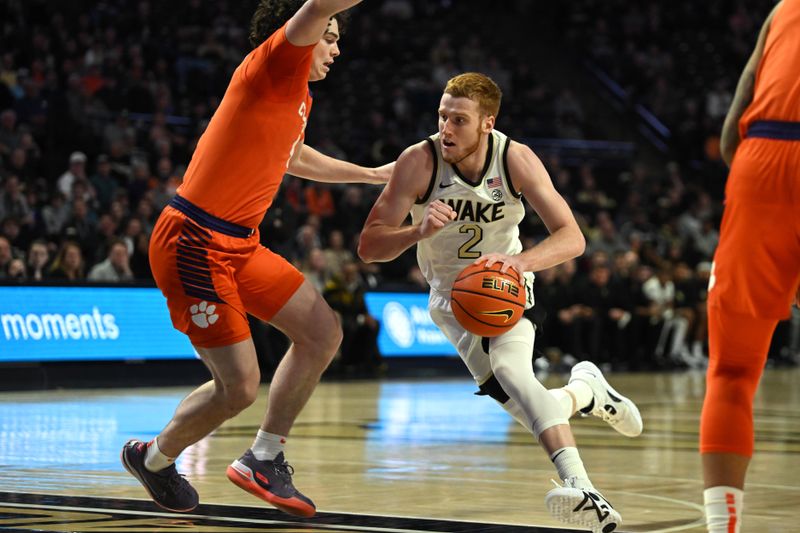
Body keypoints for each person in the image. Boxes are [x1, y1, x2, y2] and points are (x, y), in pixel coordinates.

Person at [121, 0, 391, 518]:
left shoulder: (297, 96)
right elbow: (317, 5)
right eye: (329, 37)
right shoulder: (273, 62)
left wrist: (372, 174)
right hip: (194, 240)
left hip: (239, 244)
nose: (336, 48)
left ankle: (264, 456)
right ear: (302, 34)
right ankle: (154, 460)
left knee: (322, 332)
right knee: (240, 386)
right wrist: (319, 15)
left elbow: (292, 156)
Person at [358, 72, 642, 532]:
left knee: (514, 374)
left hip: (504, 288)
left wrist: (520, 263)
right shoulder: (418, 162)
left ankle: (584, 490)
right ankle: (586, 391)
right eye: (442, 116)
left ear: (487, 123)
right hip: (449, 301)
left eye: (460, 120)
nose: (447, 128)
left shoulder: (516, 159)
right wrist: (417, 231)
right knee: (525, 406)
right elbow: (369, 246)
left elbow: (572, 238)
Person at [701, 2, 800, 532]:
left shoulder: (785, 7)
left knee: (734, 371)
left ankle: (725, 527)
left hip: (763, 159)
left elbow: (727, 137)